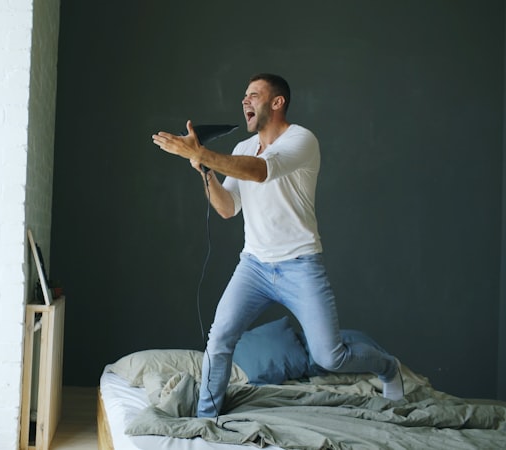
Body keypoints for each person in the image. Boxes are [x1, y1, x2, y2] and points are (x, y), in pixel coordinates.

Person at [151, 73, 404, 418]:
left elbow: (260, 171)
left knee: (329, 357)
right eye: (244, 95)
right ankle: (205, 421)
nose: (245, 101)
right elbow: (227, 209)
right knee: (219, 338)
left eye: (253, 94)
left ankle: (388, 367)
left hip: (301, 265)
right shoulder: (242, 148)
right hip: (253, 266)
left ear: (277, 102)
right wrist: (203, 169)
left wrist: (204, 153)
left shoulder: (302, 140)